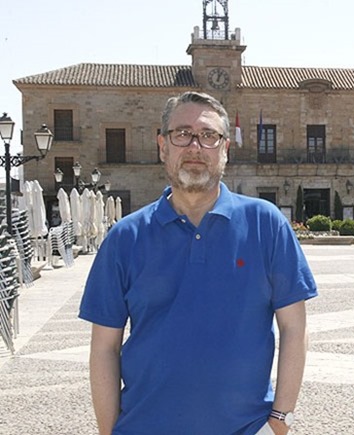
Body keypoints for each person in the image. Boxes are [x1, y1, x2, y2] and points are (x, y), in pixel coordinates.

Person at [79, 91, 318, 435]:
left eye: (208, 136)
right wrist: (108, 431)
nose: (195, 146)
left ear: (225, 150)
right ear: (163, 146)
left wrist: (280, 419)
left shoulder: (266, 224)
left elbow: (295, 329)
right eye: (182, 134)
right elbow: (104, 347)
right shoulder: (125, 238)